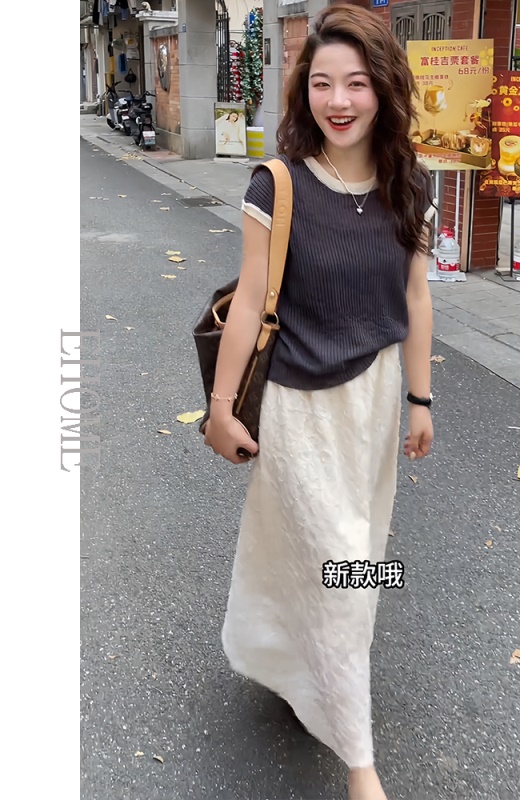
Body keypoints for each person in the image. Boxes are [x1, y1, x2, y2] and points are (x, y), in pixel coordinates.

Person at [204, 5, 435, 798]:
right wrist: (221, 406)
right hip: (298, 408)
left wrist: (420, 398)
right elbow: (250, 301)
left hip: (372, 405)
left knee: (347, 560)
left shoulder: (409, 185)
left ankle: (288, 660)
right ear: (304, 90)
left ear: (384, 89)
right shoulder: (278, 185)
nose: (339, 100)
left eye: (357, 83)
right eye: (323, 83)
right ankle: (360, 764)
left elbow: (416, 297)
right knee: (346, 563)